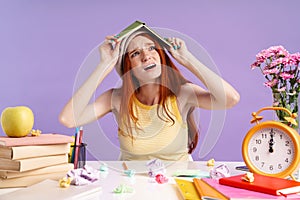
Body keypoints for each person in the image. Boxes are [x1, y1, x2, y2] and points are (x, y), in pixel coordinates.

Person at [59, 28, 240, 161]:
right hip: (131, 188)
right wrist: (104, 65)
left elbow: (231, 99)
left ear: (161, 55)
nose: (147, 56)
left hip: (177, 185)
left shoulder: (183, 93)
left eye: (152, 48)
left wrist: (187, 59)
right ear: (127, 66)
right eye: (136, 53)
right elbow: (68, 119)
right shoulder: (115, 98)